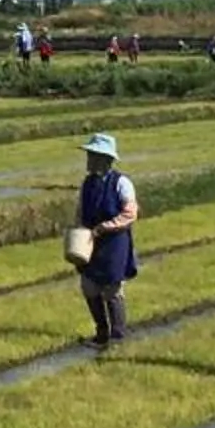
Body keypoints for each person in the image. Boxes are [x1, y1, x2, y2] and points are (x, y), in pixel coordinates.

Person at [74, 132, 139, 348]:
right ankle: (101, 333)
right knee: (89, 285)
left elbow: (130, 214)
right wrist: (78, 237)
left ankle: (118, 337)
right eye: (89, 155)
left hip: (114, 243)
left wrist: (105, 227)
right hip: (91, 241)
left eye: (92, 156)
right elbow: (80, 213)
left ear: (105, 159)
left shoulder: (122, 183)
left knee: (112, 289)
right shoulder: (87, 184)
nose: (89, 160)